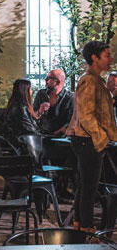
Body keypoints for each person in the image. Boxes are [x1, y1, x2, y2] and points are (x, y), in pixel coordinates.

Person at [67, 41, 117, 232]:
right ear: (94, 58)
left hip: (88, 139)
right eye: (107, 55)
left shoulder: (96, 80)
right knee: (89, 187)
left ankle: (80, 225)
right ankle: (87, 229)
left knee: (85, 185)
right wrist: (101, 138)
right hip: (87, 140)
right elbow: (86, 114)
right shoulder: (89, 80)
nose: (110, 59)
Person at [33, 69, 73, 136]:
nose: (45, 80)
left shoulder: (70, 98)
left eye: (49, 78)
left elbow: (71, 121)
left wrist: (57, 133)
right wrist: (40, 111)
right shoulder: (41, 94)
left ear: (57, 82)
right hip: (41, 136)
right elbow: (32, 117)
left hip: (61, 138)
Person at [3, 79, 40, 144]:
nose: (32, 91)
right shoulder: (21, 108)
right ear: (25, 91)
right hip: (24, 145)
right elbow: (30, 131)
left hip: (16, 143)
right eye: (30, 89)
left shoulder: (14, 105)